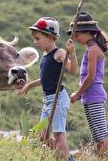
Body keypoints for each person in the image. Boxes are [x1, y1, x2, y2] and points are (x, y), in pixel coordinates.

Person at [19, 17, 78, 160]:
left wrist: (72, 53)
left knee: (58, 134)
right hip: (48, 100)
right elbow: (45, 79)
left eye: (38, 38)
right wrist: (30, 85)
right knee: (43, 135)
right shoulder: (45, 56)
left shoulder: (59, 53)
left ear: (50, 37)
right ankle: (66, 156)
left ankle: (65, 157)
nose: (35, 42)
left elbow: (73, 70)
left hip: (58, 99)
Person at [69, 11, 108, 157]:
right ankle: (103, 157)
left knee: (102, 132)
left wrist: (77, 94)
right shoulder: (91, 49)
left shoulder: (93, 49)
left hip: (94, 95)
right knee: (96, 134)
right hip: (89, 97)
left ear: (88, 32)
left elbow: (91, 77)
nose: (75, 38)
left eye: (77, 35)